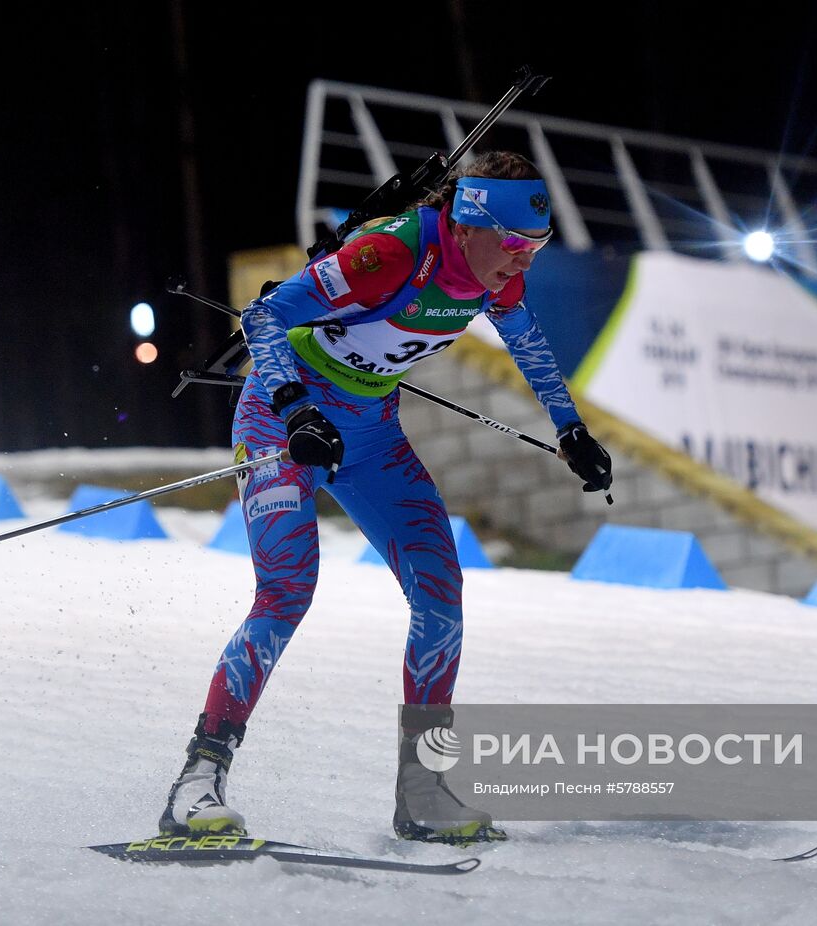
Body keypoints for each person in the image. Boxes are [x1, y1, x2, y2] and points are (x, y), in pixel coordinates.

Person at [159, 150, 613, 845]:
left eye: (537, 248)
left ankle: (422, 790)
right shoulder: (391, 253)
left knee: (440, 593)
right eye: (515, 245)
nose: (523, 262)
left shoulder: (494, 276)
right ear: (467, 224)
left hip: (370, 433)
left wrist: (570, 427)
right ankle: (196, 782)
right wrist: (295, 409)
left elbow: (529, 343)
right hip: (281, 421)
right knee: (287, 591)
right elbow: (265, 315)